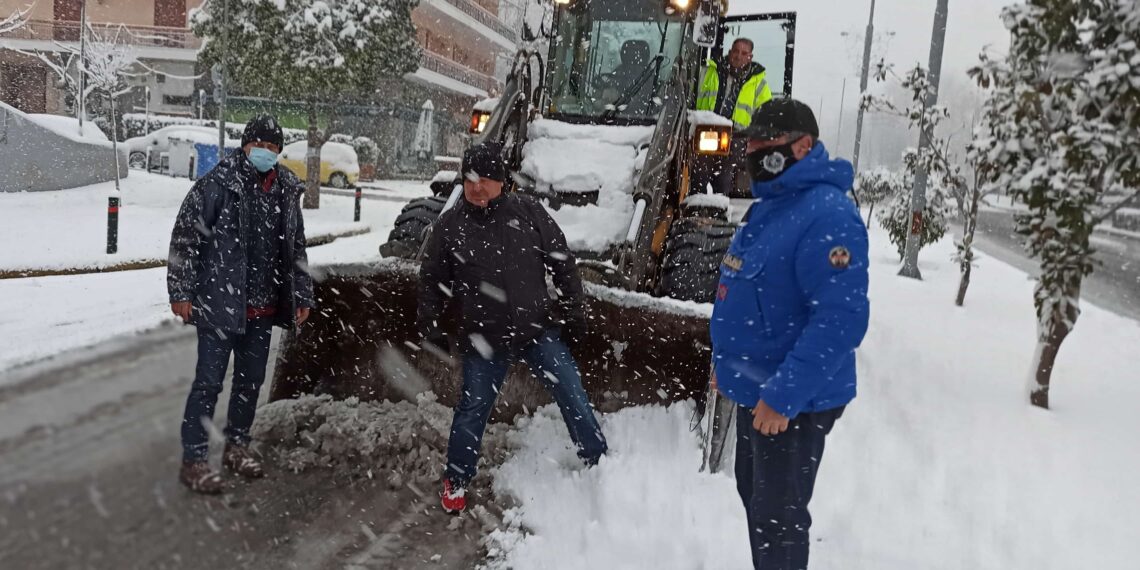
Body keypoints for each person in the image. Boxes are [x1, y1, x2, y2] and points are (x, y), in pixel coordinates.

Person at [709, 98, 869, 569]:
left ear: (803, 147)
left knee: (778, 518)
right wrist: (727, 367)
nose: (754, 151)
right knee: (755, 496)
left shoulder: (828, 215)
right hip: (756, 387)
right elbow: (740, 291)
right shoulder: (769, 207)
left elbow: (840, 322)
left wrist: (783, 396)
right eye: (751, 142)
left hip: (793, 400)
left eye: (766, 143)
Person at [418, 142, 608, 514]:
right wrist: (431, 325)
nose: (476, 186)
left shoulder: (529, 213)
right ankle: (456, 481)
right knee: (472, 409)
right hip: (483, 339)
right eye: (470, 178)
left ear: (502, 181)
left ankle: (599, 462)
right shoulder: (450, 224)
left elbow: (563, 265)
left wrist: (574, 314)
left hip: (535, 331)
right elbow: (431, 279)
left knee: (572, 390)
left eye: (486, 178)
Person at [167, 114, 314, 495]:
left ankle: (237, 446)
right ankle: (195, 459)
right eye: (258, 145)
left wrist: (302, 294)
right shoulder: (217, 185)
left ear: (279, 151)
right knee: (208, 384)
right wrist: (181, 291)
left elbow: (296, 248)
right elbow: (187, 240)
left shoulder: (284, 189)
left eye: (272, 147)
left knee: (250, 383)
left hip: (262, 309)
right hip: (219, 305)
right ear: (245, 145)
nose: (265, 152)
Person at [695, 38, 774, 196]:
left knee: (724, 175)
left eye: (744, 53)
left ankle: (720, 205)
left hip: (736, 135)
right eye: (736, 51)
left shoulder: (758, 83)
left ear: (750, 57)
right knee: (699, 175)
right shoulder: (710, 71)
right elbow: (692, 93)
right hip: (706, 129)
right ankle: (695, 204)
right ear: (730, 52)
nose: (739, 56)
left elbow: (766, 113)